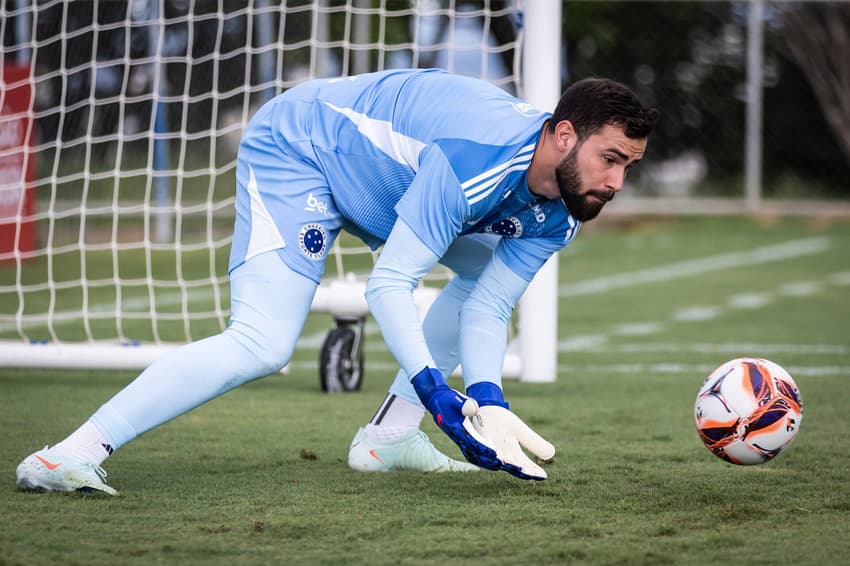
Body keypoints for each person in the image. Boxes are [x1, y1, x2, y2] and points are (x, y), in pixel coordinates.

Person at [16, 69, 658, 494]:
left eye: (627, 166)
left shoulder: (563, 213)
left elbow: (489, 304)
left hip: (386, 188)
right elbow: (390, 283)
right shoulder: (475, 159)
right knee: (262, 343)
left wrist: (489, 401)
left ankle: (387, 440)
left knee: (479, 275)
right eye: (610, 160)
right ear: (564, 135)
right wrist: (440, 394)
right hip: (304, 152)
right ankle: (66, 454)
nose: (616, 184)